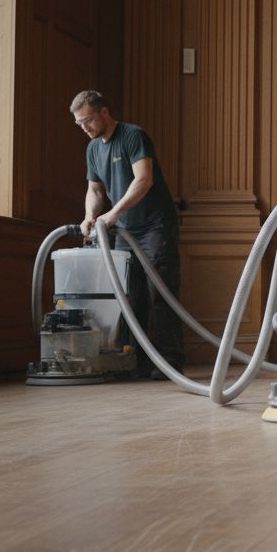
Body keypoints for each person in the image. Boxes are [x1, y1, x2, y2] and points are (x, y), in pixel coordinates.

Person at [72, 90, 184, 380]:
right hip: (126, 230)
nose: (85, 128)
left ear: (104, 112)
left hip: (155, 226)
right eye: (80, 124)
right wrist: (90, 216)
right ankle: (135, 361)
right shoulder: (93, 149)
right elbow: (95, 190)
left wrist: (114, 213)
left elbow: (143, 179)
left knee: (161, 293)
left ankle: (170, 362)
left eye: (88, 120)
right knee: (131, 297)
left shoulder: (133, 136)